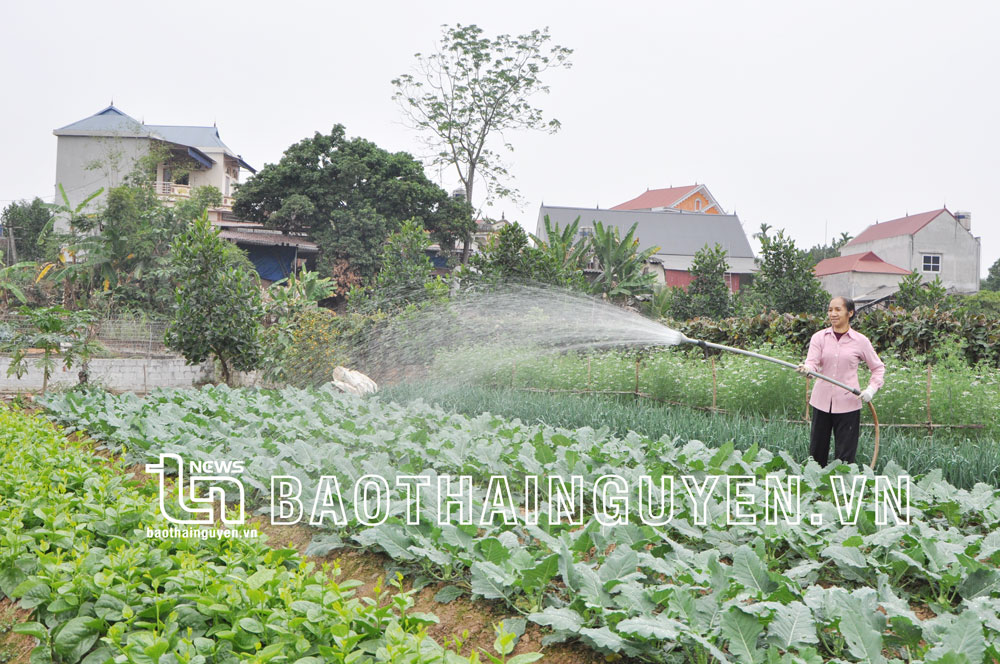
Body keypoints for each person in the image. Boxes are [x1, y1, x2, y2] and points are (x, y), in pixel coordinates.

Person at [796, 296, 884, 466]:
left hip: (848, 403)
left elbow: (878, 368)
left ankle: (841, 489)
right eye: (830, 310)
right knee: (816, 454)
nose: (833, 314)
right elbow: (812, 364)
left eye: (838, 310)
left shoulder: (860, 341)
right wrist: (807, 370)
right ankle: (815, 489)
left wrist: (871, 390)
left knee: (845, 456)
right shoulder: (819, 338)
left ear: (850, 313)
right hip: (821, 402)